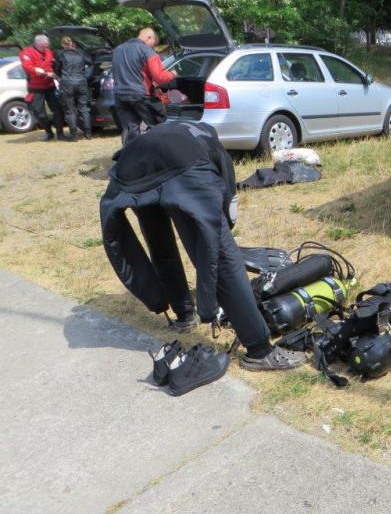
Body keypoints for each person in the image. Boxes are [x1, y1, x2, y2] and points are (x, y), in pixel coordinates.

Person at [100, 120, 306, 371]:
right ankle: (259, 350)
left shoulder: (167, 133)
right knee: (222, 256)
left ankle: (184, 315)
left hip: (133, 171)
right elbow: (226, 199)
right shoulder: (211, 142)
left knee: (159, 242)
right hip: (178, 168)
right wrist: (219, 233)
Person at [111, 27, 176, 143]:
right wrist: (172, 74)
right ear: (149, 37)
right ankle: (163, 155)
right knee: (159, 125)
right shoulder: (146, 51)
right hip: (141, 95)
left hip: (120, 95)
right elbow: (159, 77)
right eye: (153, 44)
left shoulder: (117, 50)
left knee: (130, 129)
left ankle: (130, 157)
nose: (153, 47)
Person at [18, 34, 66, 140]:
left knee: (58, 109)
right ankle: (49, 131)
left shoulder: (50, 52)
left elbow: (56, 65)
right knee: (39, 113)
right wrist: (44, 73)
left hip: (49, 86)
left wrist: (55, 72)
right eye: (43, 46)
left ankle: (60, 133)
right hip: (35, 87)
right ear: (37, 43)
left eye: (47, 46)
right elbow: (27, 67)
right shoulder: (26, 52)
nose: (46, 48)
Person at [54, 36, 92, 140]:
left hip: (67, 84)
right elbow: (91, 63)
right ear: (71, 43)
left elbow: (57, 70)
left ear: (62, 45)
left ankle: (74, 135)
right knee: (84, 108)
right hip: (81, 82)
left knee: (70, 110)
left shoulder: (60, 54)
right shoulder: (80, 52)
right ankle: (88, 134)